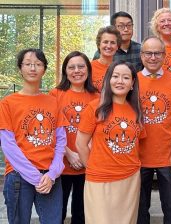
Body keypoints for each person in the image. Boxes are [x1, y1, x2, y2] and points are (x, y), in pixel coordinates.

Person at [0, 48, 67, 223]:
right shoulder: (8, 103)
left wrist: (52, 174)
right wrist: (35, 177)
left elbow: (60, 140)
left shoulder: (53, 102)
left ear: (44, 69)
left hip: (50, 177)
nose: (32, 68)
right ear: (20, 68)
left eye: (38, 64)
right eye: (28, 64)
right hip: (18, 176)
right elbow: (8, 146)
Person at [76, 61, 145, 224]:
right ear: (108, 80)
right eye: (115, 76)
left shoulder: (136, 111)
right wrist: (93, 167)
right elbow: (80, 144)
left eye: (126, 77)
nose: (120, 81)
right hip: (100, 179)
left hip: (130, 179)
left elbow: (137, 145)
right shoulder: (95, 108)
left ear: (132, 83)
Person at [137, 36, 171, 224]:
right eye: (148, 53)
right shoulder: (132, 81)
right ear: (142, 55)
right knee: (140, 210)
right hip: (138, 156)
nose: (152, 57)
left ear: (164, 56)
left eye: (157, 53)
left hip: (169, 155)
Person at [49, 51, 99, 224]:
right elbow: (50, 130)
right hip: (61, 166)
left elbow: (99, 132)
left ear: (88, 69)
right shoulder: (55, 95)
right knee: (57, 213)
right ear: (65, 71)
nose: (77, 71)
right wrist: (68, 153)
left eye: (81, 66)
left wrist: (85, 154)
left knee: (82, 214)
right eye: (71, 67)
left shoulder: (97, 97)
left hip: (88, 166)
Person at [91, 25, 121, 91]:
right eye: (105, 42)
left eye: (113, 43)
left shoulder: (120, 68)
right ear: (99, 44)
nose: (109, 46)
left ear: (117, 46)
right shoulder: (89, 68)